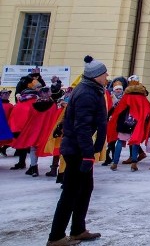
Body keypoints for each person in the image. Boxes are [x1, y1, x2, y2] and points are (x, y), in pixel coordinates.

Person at [46, 55, 109, 246]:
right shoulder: (86, 94)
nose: (107, 76)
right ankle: (56, 236)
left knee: (84, 189)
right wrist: (88, 154)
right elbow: (82, 126)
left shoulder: (92, 90)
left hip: (79, 148)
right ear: (96, 75)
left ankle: (77, 229)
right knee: (71, 192)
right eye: (104, 73)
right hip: (77, 150)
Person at [106, 78, 149, 171]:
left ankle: (115, 163)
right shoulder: (142, 98)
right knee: (135, 143)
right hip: (137, 123)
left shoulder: (126, 96)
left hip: (124, 122)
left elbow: (118, 109)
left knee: (120, 141)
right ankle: (134, 163)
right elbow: (147, 110)